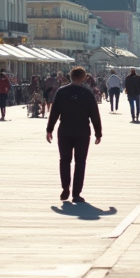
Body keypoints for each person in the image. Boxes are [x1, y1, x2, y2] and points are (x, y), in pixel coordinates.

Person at [47, 66, 102, 202]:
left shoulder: (61, 92)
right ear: (83, 78)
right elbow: (95, 114)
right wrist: (98, 132)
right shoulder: (87, 94)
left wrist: (49, 129)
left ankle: (65, 187)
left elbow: (54, 112)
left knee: (64, 160)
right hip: (82, 132)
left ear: (70, 77)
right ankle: (76, 193)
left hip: (65, 131)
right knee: (80, 162)